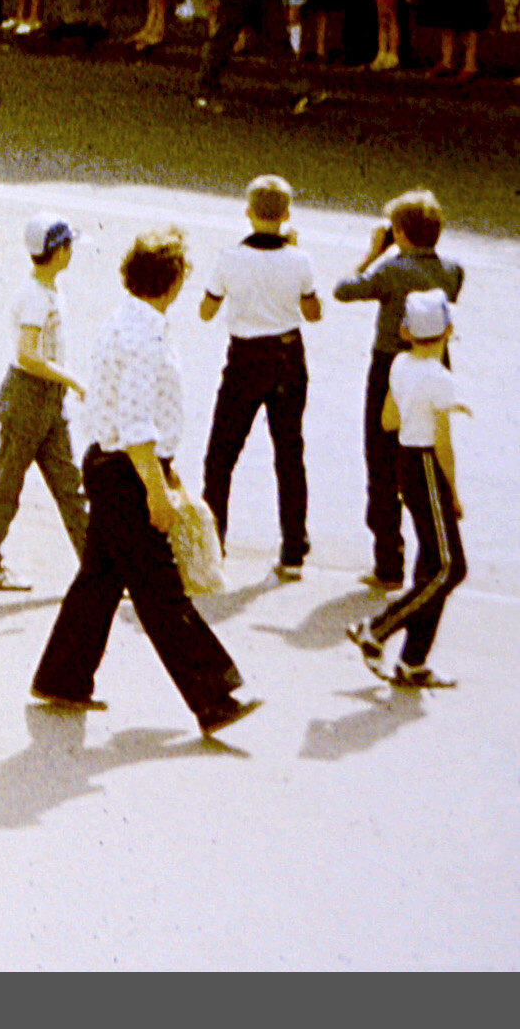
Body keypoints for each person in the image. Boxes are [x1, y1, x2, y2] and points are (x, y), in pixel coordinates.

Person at [30, 229, 261, 737]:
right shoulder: (146, 336)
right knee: (161, 592)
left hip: (112, 465)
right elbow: (136, 423)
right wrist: (157, 490)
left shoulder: (125, 321)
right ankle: (214, 696)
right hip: (129, 472)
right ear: (174, 280)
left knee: (99, 580)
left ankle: (63, 678)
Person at [336, 190, 467, 589]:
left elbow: (345, 289)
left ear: (399, 233)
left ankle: (387, 562)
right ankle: (431, 556)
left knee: (380, 459)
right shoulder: (453, 270)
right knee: (425, 449)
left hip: (390, 367)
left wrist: (374, 253)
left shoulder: (391, 271)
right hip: (434, 361)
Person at [196, 175, 323, 581]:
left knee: (221, 456)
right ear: (286, 215)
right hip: (287, 356)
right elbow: (313, 312)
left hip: (245, 358)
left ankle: (214, 543)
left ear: (249, 213)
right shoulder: (299, 259)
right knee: (289, 453)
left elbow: (206, 311)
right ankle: (292, 549)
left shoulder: (230, 257)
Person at [346, 290, 467, 689]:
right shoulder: (441, 378)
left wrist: (421, 405)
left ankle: (413, 661)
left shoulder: (398, 363)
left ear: (404, 331)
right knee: (452, 568)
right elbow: (443, 445)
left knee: (431, 565)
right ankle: (378, 628)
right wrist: (453, 493)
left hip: (404, 463)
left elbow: (387, 420)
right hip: (427, 466)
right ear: (448, 330)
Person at [0, 215, 92, 594]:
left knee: (70, 486)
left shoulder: (45, 288)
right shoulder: (36, 298)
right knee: (9, 483)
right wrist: (71, 379)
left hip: (46, 400)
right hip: (29, 397)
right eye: (68, 246)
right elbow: (28, 355)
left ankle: (96, 567)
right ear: (58, 253)